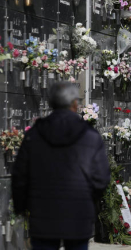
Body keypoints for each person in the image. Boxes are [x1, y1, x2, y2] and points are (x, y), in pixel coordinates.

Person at [12, 82, 110, 250]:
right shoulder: (90, 136)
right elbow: (101, 179)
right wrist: (88, 200)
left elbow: (20, 175)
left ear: (51, 104)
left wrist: (21, 207)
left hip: (42, 215)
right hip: (78, 215)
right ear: (74, 104)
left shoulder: (34, 134)